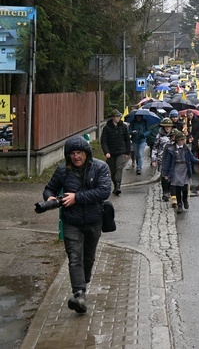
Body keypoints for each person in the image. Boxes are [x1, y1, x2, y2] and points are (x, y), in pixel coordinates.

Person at [42, 135, 111, 314]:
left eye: (79, 152)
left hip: (94, 220)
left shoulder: (100, 167)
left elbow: (104, 191)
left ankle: (83, 284)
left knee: (88, 257)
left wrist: (76, 197)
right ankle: (79, 294)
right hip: (71, 222)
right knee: (74, 257)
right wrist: (49, 197)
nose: (76, 157)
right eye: (72, 153)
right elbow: (50, 188)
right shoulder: (63, 170)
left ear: (86, 153)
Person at [162, 131, 199, 214]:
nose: (184, 141)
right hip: (176, 169)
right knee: (178, 188)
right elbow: (168, 163)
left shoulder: (186, 149)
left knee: (185, 187)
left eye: (184, 139)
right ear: (178, 140)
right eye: (182, 140)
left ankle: (185, 200)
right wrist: (165, 173)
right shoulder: (171, 150)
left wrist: (198, 160)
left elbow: (191, 157)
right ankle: (179, 204)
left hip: (185, 169)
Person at [100, 109, 131, 195]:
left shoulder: (123, 127)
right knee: (113, 171)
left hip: (121, 151)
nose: (118, 118)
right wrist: (106, 152)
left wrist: (127, 152)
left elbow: (127, 139)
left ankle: (118, 186)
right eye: (116, 116)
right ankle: (115, 184)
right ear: (113, 117)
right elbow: (104, 141)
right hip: (111, 152)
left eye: (119, 116)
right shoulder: (107, 128)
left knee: (119, 168)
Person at [151, 118, 175, 201]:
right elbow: (155, 147)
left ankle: (170, 191)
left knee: (171, 176)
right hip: (162, 159)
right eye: (166, 126)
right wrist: (154, 159)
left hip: (172, 158)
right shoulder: (159, 135)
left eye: (169, 126)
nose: (168, 128)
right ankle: (165, 192)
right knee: (164, 176)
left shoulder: (175, 134)